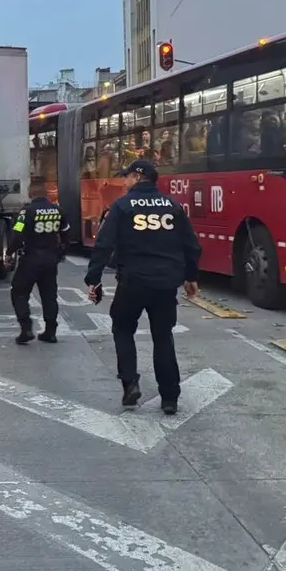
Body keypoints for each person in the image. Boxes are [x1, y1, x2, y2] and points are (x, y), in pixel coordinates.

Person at [83, 159, 202, 413]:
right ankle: (169, 397)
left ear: (137, 177)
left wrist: (93, 279)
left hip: (133, 282)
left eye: (126, 177)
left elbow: (104, 244)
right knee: (163, 337)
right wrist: (191, 277)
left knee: (123, 328)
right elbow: (191, 245)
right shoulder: (173, 206)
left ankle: (130, 384)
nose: (124, 181)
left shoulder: (122, 206)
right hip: (166, 284)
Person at [6, 181, 70, 345]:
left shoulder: (26, 212)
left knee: (19, 293)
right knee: (49, 296)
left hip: (30, 259)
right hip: (50, 260)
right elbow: (66, 232)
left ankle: (26, 328)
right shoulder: (58, 210)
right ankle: (50, 332)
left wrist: (9, 253)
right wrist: (61, 251)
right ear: (46, 193)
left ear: (30, 194)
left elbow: (17, 235)